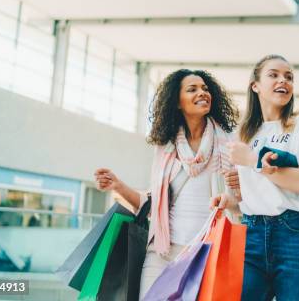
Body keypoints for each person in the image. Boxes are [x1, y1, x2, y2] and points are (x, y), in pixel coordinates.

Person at [94, 69, 238, 299]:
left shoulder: (227, 143)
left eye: (205, 88)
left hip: (205, 253)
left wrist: (236, 194)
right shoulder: (166, 148)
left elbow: (239, 202)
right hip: (162, 253)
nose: (202, 93)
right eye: (192, 89)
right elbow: (153, 203)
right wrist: (118, 185)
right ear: (177, 102)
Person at [211, 55, 299, 301]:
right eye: (274, 75)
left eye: (289, 77)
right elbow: (256, 195)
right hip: (251, 232)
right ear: (255, 85)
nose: (283, 81)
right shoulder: (244, 132)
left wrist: (252, 161)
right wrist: (231, 201)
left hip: (293, 233)